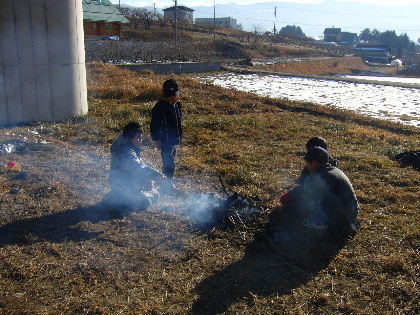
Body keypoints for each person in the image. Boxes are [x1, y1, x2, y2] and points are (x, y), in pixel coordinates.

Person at [103, 123, 165, 211]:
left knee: (155, 194)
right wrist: (156, 175)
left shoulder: (127, 147)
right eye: (138, 138)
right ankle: (121, 199)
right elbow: (138, 168)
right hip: (126, 186)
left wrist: (148, 181)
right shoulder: (126, 151)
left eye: (141, 138)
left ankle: (115, 198)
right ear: (129, 138)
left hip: (125, 185)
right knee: (148, 200)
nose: (140, 140)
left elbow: (136, 169)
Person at [299, 146, 360, 233]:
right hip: (352, 213)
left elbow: (307, 198)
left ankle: (321, 224)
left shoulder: (317, 177)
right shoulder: (335, 170)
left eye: (308, 163)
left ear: (315, 163)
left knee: (306, 206)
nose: (307, 166)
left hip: (339, 217)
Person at [280, 136, 337, 205]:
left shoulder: (314, 164)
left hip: (316, 199)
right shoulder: (332, 165)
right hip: (329, 200)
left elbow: (306, 187)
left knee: (285, 200)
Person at [150, 79, 183, 180]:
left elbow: (179, 120)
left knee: (172, 159)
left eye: (175, 95)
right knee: (169, 163)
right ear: (165, 95)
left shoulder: (177, 104)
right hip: (165, 140)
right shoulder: (159, 107)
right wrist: (156, 139)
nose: (173, 98)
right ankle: (167, 183)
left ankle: (169, 179)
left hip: (174, 139)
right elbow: (154, 125)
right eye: (171, 96)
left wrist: (180, 135)